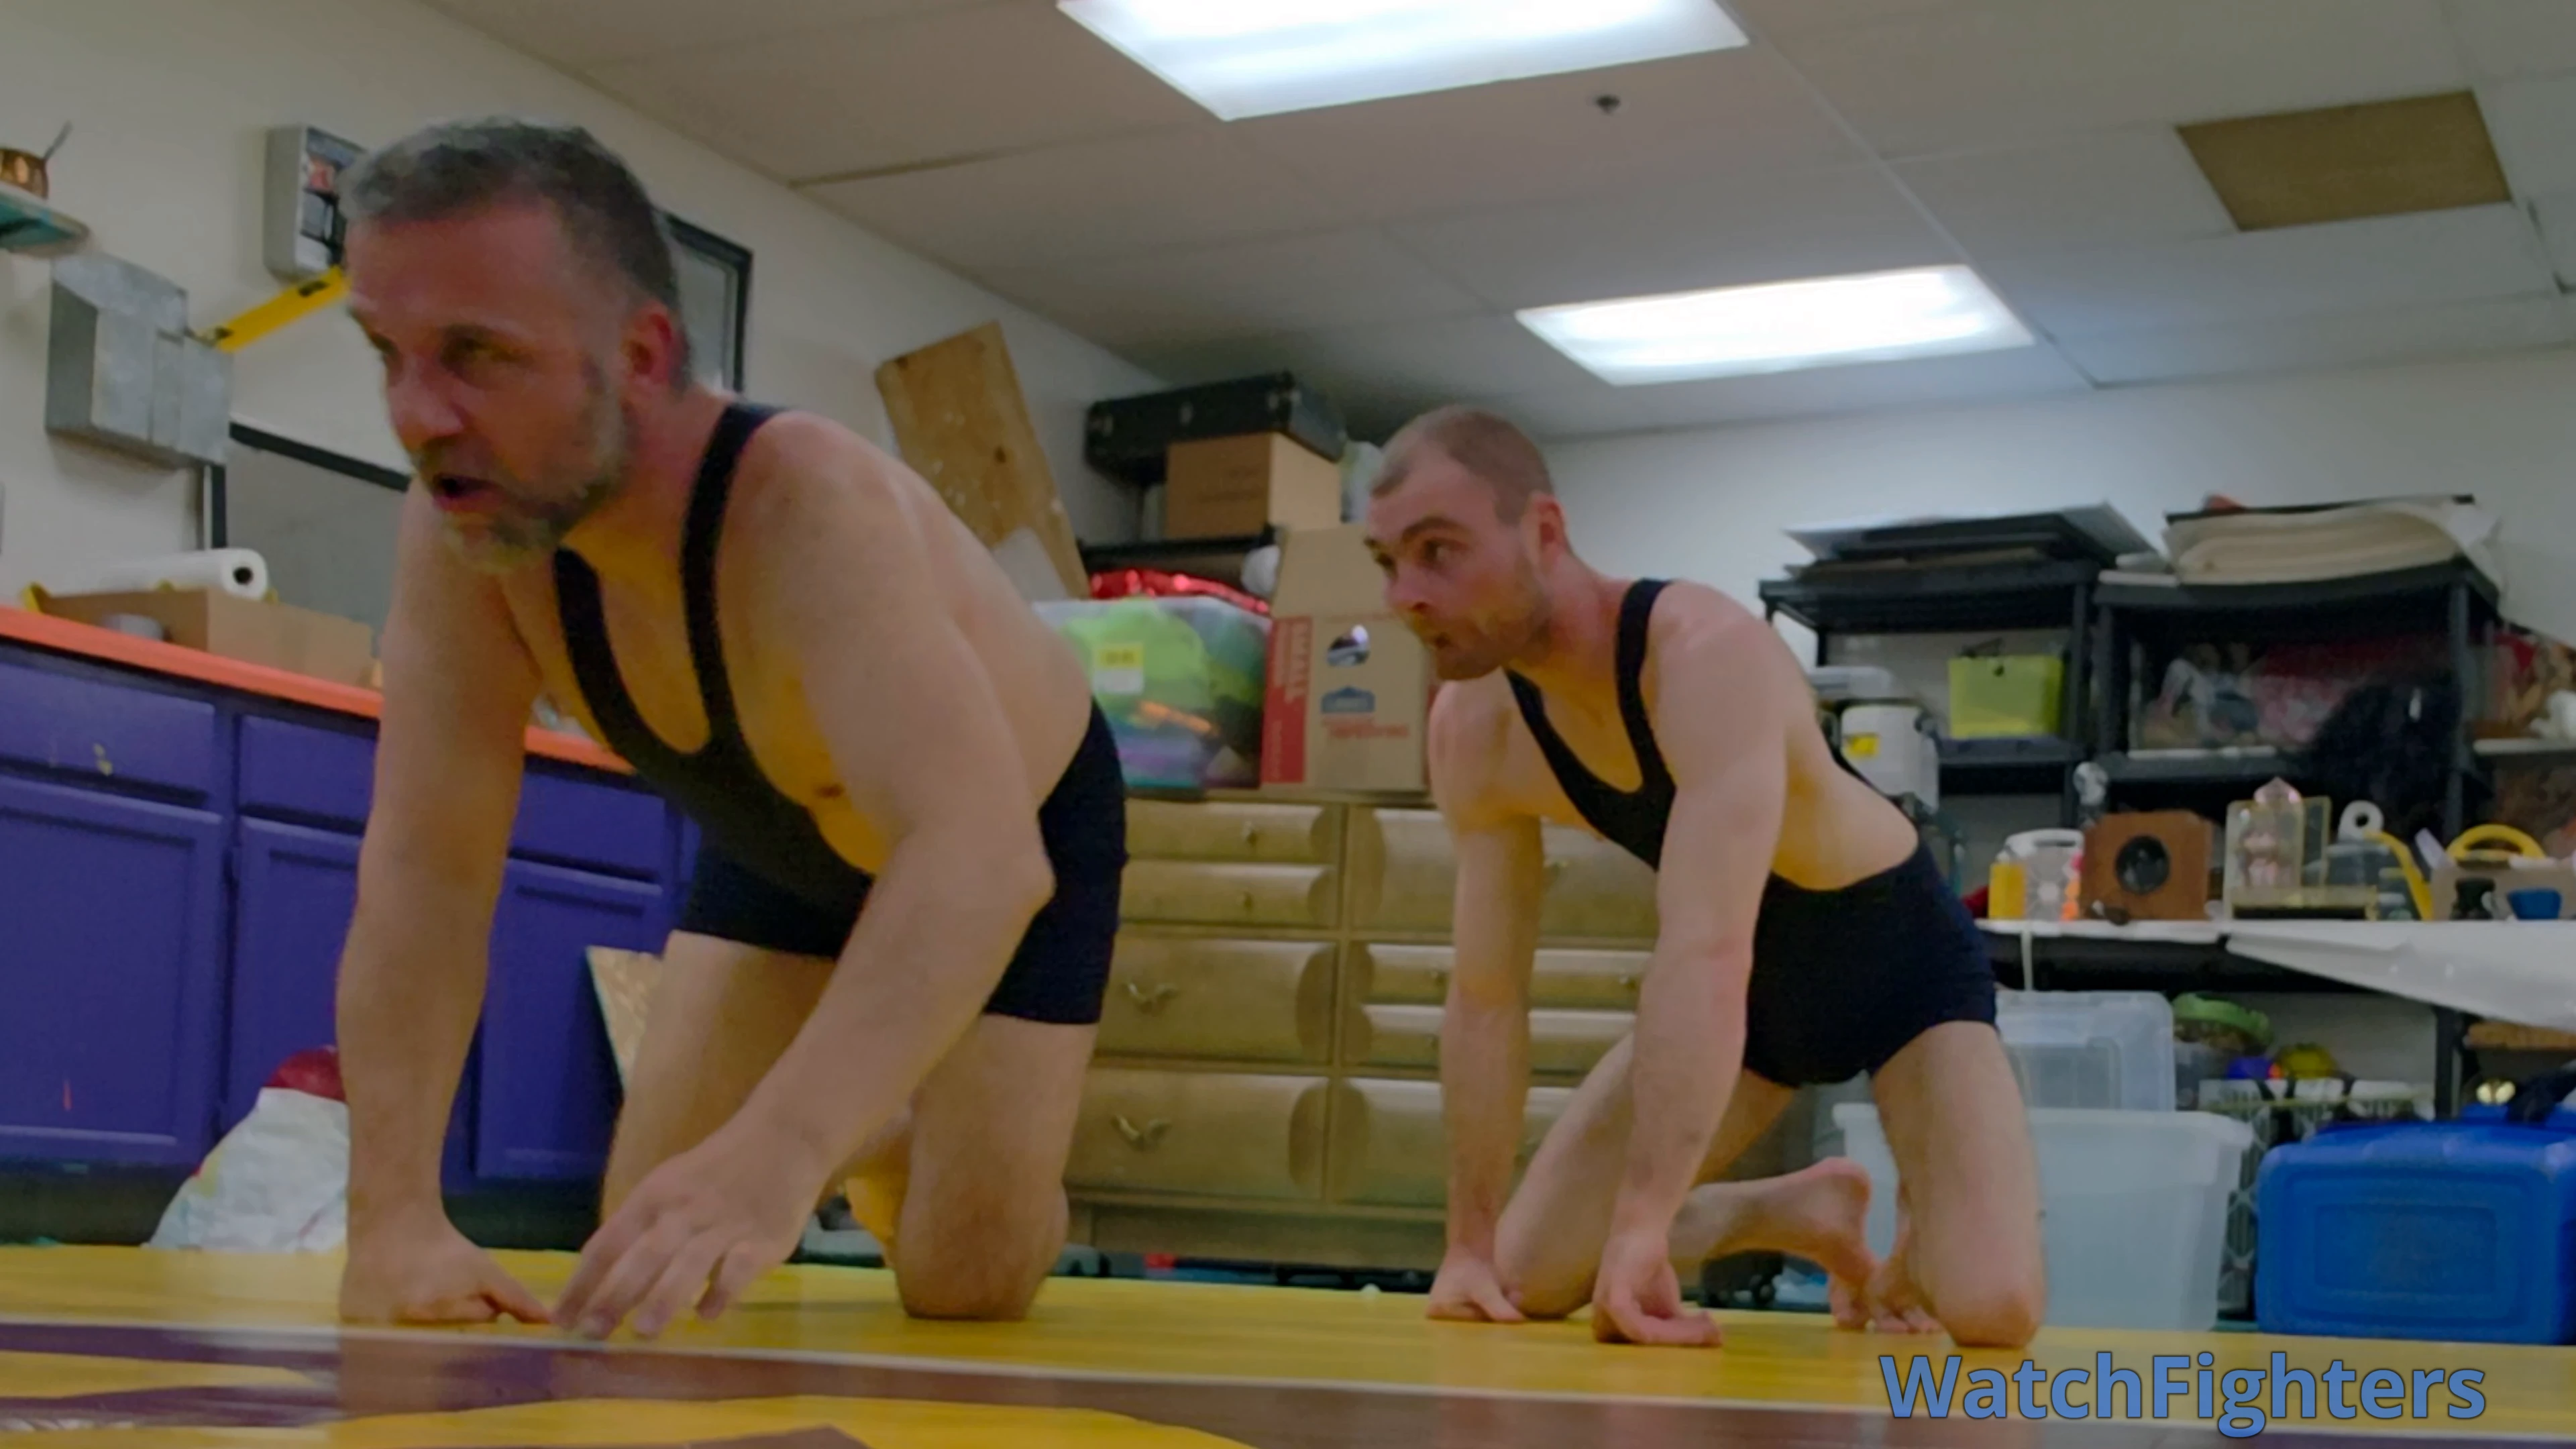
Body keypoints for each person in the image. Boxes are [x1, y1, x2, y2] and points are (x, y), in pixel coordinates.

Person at [327, 117, 1126, 1341]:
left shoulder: (807, 503)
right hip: (782, 837)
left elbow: (979, 864)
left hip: (1011, 835)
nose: (417, 415)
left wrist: (782, 1151)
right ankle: (876, 1117)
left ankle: (894, 1130)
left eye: (477, 356)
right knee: (650, 1247)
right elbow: (427, 872)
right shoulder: (469, 537)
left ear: (642, 354)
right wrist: (392, 1217)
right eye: (388, 354)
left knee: (963, 1282)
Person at [1362, 406, 2044, 1349]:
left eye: (1439, 551)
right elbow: (1486, 996)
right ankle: (1788, 1211)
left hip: (1900, 970)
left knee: (1992, 1310)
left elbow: (1704, 949)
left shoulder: (1703, 653)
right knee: (1520, 1279)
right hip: (1749, 997)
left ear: (1544, 532)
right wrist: (1467, 1244)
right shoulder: (1475, 727)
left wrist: (1643, 1228)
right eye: (1388, 562)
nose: (1405, 596)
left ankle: (1929, 1216)